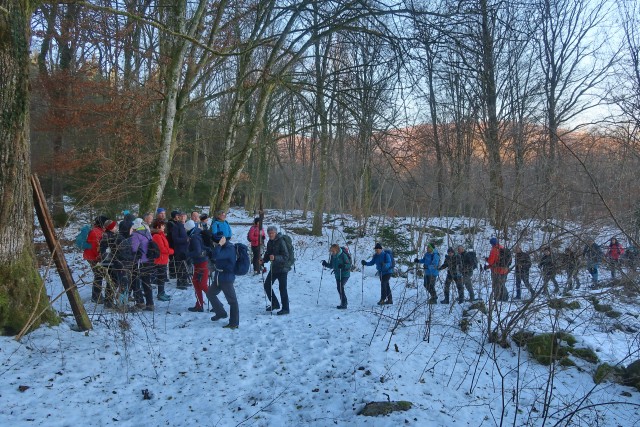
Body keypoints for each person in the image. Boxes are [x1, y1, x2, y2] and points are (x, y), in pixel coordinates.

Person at [207, 233, 239, 329]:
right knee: (210, 293)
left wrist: (219, 245)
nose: (213, 244)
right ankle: (220, 312)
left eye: (214, 242)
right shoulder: (223, 247)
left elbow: (216, 255)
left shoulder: (229, 248)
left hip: (226, 278)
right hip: (219, 276)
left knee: (232, 301)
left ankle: (234, 323)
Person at [261, 226, 291, 315]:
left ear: (276, 233)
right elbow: (268, 253)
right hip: (274, 268)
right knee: (267, 285)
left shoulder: (281, 241)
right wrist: (264, 260)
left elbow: (286, 256)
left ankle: (286, 309)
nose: (271, 234)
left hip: (283, 268)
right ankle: (275, 304)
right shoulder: (270, 242)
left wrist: (275, 258)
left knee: (282, 289)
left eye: (272, 233)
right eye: (269, 233)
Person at [130, 218, 155, 310]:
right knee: (146, 282)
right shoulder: (147, 233)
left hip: (139, 262)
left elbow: (134, 249)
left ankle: (140, 302)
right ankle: (150, 303)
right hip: (148, 261)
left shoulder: (136, 235)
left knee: (135, 281)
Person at [185, 220, 209, 312]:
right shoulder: (196, 233)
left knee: (202, 285)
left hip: (201, 263)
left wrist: (187, 255)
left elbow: (197, 251)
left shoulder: (194, 237)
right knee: (196, 283)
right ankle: (199, 304)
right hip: (200, 262)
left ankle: (215, 303)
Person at [84, 215, 108, 303]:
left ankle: (96, 295)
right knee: (99, 275)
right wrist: (100, 257)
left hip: (93, 256)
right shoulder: (96, 232)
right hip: (93, 257)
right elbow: (95, 247)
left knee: (99, 275)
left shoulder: (99, 231)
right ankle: (96, 296)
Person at [322, 244, 351, 309]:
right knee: (339, 288)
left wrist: (343, 266)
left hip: (345, 274)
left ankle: (344, 303)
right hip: (338, 275)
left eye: (333, 251)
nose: (332, 253)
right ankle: (343, 303)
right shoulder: (333, 256)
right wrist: (325, 264)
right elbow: (332, 266)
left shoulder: (343, 255)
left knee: (340, 287)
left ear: (337, 250)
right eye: (331, 251)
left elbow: (349, 265)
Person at [98, 219, 119, 308]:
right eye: (115, 226)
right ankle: (108, 301)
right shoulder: (109, 237)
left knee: (112, 282)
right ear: (111, 228)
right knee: (112, 282)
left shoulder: (110, 235)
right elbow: (107, 251)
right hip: (110, 263)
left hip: (110, 262)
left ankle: (109, 300)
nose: (117, 227)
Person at [151, 219, 173, 301]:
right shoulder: (157, 236)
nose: (164, 227)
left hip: (163, 258)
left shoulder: (161, 235)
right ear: (158, 226)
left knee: (162, 277)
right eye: (162, 225)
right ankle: (160, 294)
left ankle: (162, 292)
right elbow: (162, 249)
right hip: (160, 259)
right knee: (161, 277)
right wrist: (171, 251)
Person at [484, 237, 509, 302]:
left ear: (492, 244)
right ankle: (504, 297)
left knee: (496, 284)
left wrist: (487, 259)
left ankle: (499, 297)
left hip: (497, 270)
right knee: (502, 284)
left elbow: (491, 262)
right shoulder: (502, 247)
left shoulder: (494, 250)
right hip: (505, 269)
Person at [171, 211, 190, 290]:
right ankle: (180, 283)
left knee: (186, 266)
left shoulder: (188, 225)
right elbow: (175, 239)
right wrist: (185, 240)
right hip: (179, 250)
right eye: (181, 216)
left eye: (184, 216)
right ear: (178, 217)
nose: (182, 218)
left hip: (187, 249)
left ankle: (185, 281)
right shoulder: (176, 226)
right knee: (180, 267)